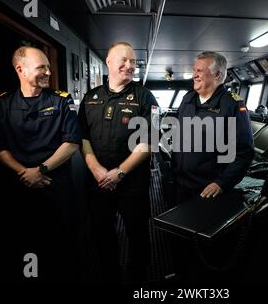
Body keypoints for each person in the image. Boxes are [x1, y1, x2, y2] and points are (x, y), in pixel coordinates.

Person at [0, 46, 82, 282]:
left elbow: (71, 143)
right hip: (21, 186)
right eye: (42, 67)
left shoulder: (61, 100)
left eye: (48, 67)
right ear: (21, 69)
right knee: (25, 242)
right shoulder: (2, 104)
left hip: (56, 185)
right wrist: (25, 173)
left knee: (62, 244)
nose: (48, 72)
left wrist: (40, 170)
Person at [170, 51, 254, 282]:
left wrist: (221, 182)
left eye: (200, 70)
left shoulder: (232, 106)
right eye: (194, 69)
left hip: (209, 191)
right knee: (181, 240)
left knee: (206, 248)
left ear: (217, 75)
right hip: (182, 186)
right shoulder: (187, 100)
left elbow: (244, 152)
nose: (194, 74)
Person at [78, 42, 158, 284]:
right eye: (123, 60)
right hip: (98, 183)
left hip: (133, 184)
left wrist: (119, 173)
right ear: (109, 63)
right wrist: (96, 169)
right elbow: (82, 136)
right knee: (102, 235)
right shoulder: (91, 98)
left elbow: (150, 140)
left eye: (133, 62)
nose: (129, 66)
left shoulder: (145, 97)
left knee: (138, 237)